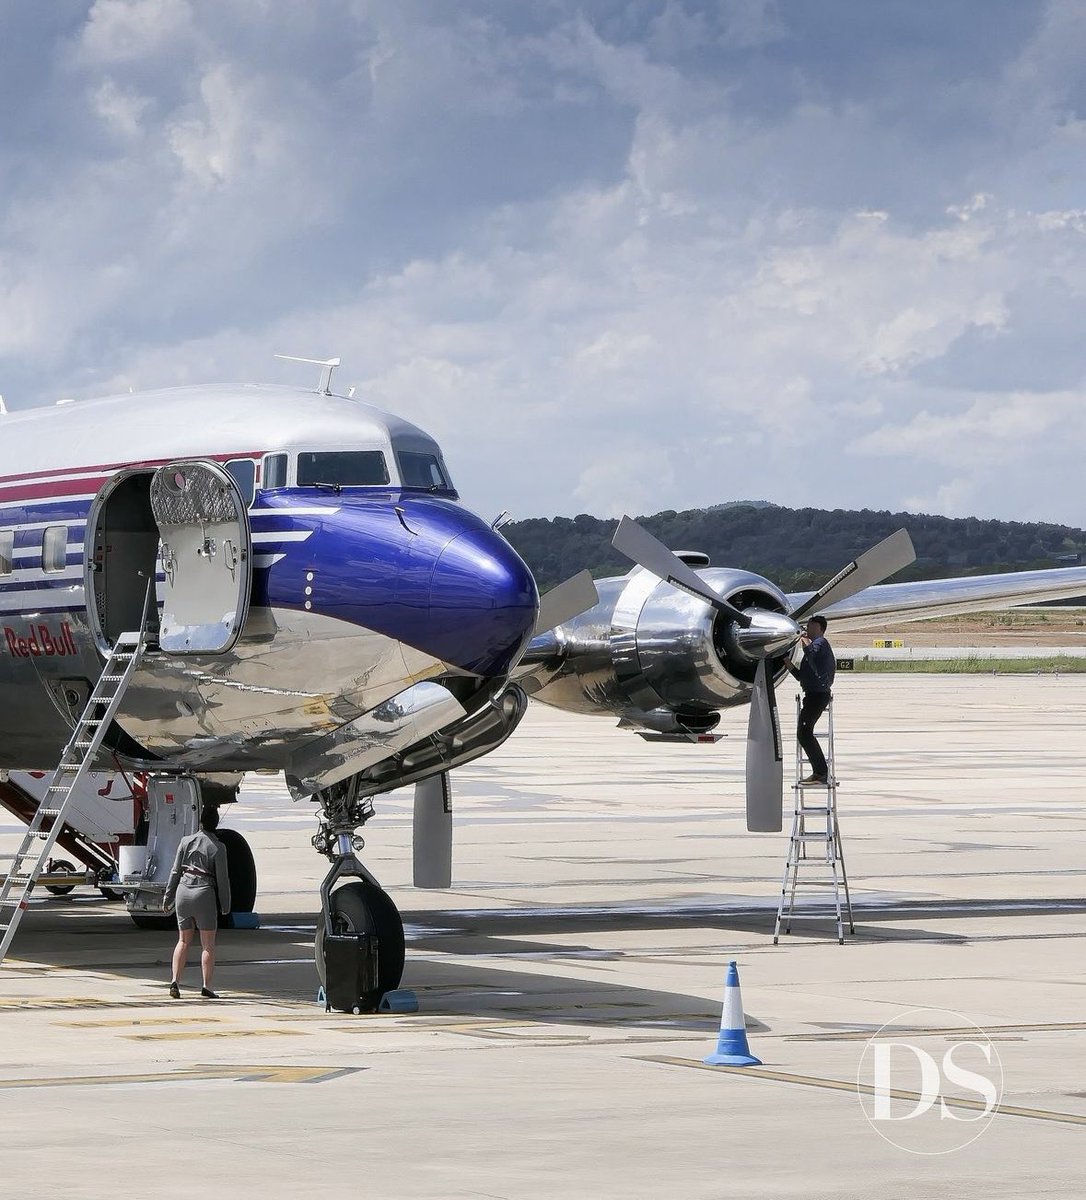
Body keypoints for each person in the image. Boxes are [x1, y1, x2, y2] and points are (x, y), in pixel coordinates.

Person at [164, 806, 231, 999]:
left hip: (183, 893)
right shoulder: (218, 847)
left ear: (200, 822)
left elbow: (175, 871)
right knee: (207, 945)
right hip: (204, 893)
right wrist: (225, 905)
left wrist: (168, 898)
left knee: (183, 940)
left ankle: (175, 981)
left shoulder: (185, 841)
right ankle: (206, 986)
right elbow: (223, 879)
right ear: (216, 824)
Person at [788, 614, 836, 785]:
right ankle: (819, 772)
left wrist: (803, 641)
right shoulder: (813, 650)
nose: (806, 629)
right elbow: (802, 677)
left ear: (818, 628)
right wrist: (786, 663)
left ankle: (821, 772)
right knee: (803, 732)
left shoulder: (821, 643)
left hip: (818, 695)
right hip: (811, 694)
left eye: (809, 626)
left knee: (804, 732)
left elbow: (811, 653)